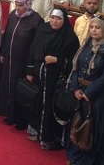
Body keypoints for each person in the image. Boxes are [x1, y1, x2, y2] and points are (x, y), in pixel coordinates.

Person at [66, 16, 104, 165]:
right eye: (91, 27)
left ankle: (89, 161)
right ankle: (77, 156)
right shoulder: (87, 43)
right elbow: (76, 67)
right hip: (82, 91)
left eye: (97, 28)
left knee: (94, 129)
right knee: (80, 124)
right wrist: (75, 88)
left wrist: (88, 93)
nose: (93, 30)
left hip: (100, 96)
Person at [26, 8, 79, 150]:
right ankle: (37, 132)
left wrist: (57, 60)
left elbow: (74, 62)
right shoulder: (43, 30)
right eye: (53, 17)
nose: (54, 21)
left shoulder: (70, 37)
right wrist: (30, 70)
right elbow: (33, 50)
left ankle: (48, 137)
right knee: (38, 102)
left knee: (50, 106)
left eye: (59, 18)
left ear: (64, 20)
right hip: (40, 76)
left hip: (56, 80)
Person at [0, 0, 43, 130]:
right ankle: (8, 113)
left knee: (20, 90)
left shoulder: (36, 20)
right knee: (8, 85)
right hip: (9, 59)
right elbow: (7, 35)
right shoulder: (13, 15)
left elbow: (36, 46)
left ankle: (19, 118)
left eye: (21, 5)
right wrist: (2, 52)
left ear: (28, 5)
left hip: (23, 63)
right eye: (16, 5)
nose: (18, 8)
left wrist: (30, 67)